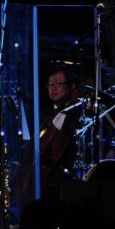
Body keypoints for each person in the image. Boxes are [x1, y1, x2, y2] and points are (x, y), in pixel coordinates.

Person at [38, 67, 82, 197]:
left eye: (58, 83)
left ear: (71, 86)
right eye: (50, 84)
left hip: (66, 177)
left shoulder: (77, 114)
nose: (53, 88)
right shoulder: (43, 114)